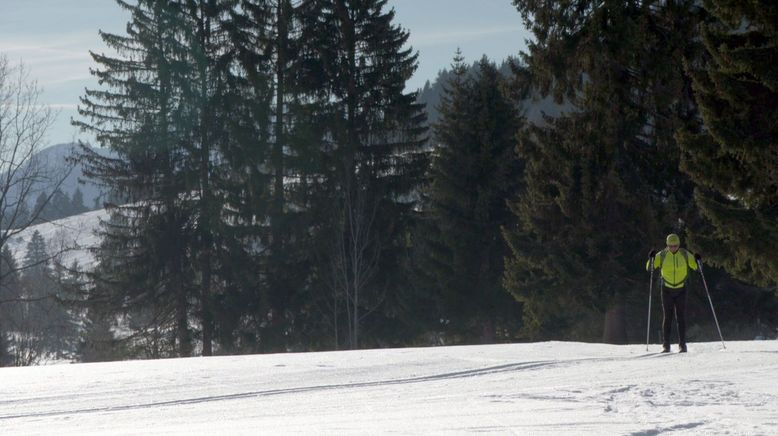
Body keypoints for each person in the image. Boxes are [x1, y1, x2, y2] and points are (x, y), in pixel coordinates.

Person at [646, 233, 701, 353]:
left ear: (679, 245)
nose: (673, 248)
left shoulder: (685, 254)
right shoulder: (662, 255)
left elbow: (696, 267)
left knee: (681, 317)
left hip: (681, 289)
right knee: (668, 317)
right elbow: (649, 268)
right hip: (667, 289)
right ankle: (666, 345)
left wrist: (697, 260)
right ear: (667, 245)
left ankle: (682, 345)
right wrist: (651, 258)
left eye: (675, 245)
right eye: (671, 246)